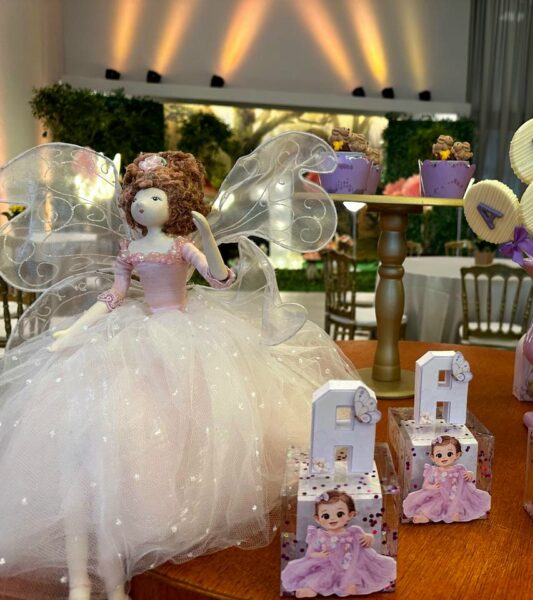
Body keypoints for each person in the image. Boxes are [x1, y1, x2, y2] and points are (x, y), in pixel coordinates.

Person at [0, 139, 357, 599]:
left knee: (198, 407)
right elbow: (113, 296)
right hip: (140, 327)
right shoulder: (130, 250)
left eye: (155, 196)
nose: (143, 204)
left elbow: (220, 280)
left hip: (185, 327)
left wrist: (207, 241)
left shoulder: (183, 246)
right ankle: (120, 537)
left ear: (176, 202)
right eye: (139, 196)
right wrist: (75, 329)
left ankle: (179, 501)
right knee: (135, 411)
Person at [281, 491, 396, 597]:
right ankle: (310, 589)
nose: (332, 519)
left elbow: (365, 545)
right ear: (317, 519)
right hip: (327, 565)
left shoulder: (353, 532)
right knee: (320, 577)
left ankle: (349, 586)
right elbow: (310, 553)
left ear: (350, 515)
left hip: (349, 565)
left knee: (352, 579)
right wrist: (319, 555)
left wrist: (369, 537)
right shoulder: (320, 535)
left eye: (339, 514)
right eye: (326, 516)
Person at [402, 435, 491, 523]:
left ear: (457, 455)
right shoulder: (433, 470)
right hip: (438, 495)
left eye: (449, 454)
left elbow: (467, 479)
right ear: (432, 457)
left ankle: (456, 514)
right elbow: (425, 485)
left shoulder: (459, 469)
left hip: (455, 496)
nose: (444, 458)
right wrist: (432, 487)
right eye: (439, 455)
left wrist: (470, 474)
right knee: (432, 505)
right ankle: (424, 516)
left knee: (457, 506)